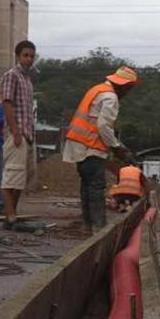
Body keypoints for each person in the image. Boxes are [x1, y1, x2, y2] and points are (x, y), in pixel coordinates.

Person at [63, 66, 139, 232]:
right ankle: (99, 227)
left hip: (77, 144)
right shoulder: (111, 98)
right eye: (129, 89)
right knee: (96, 186)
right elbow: (103, 126)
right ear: (124, 86)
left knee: (86, 185)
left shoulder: (97, 89)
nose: (127, 93)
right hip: (90, 147)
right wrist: (117, 147)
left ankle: (87, 224)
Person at [0, 40, 36, 229]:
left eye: (31, 56)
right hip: (17, 134)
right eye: (25, 55)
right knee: (11, 178)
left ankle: (11, 215)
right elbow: (7, 103)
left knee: (20, 180)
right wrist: (15, 132)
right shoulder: (11, 76)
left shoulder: (27, 80)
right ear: (17, 56)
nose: (29, 59)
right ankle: (11, 216)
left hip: (27, 135)